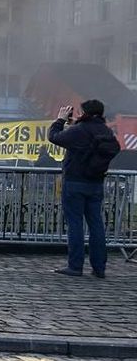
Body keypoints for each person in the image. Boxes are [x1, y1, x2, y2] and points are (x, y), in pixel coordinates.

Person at [50, 99, 120, 279]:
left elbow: (54, 137)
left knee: (75, 224)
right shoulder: (105, 131)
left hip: (75, 182)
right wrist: (76, 125)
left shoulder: (80, 131)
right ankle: (99, 268)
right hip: (96, 184)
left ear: (84, 113)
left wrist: (60, 120)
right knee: (96, 225)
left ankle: (75, 266)